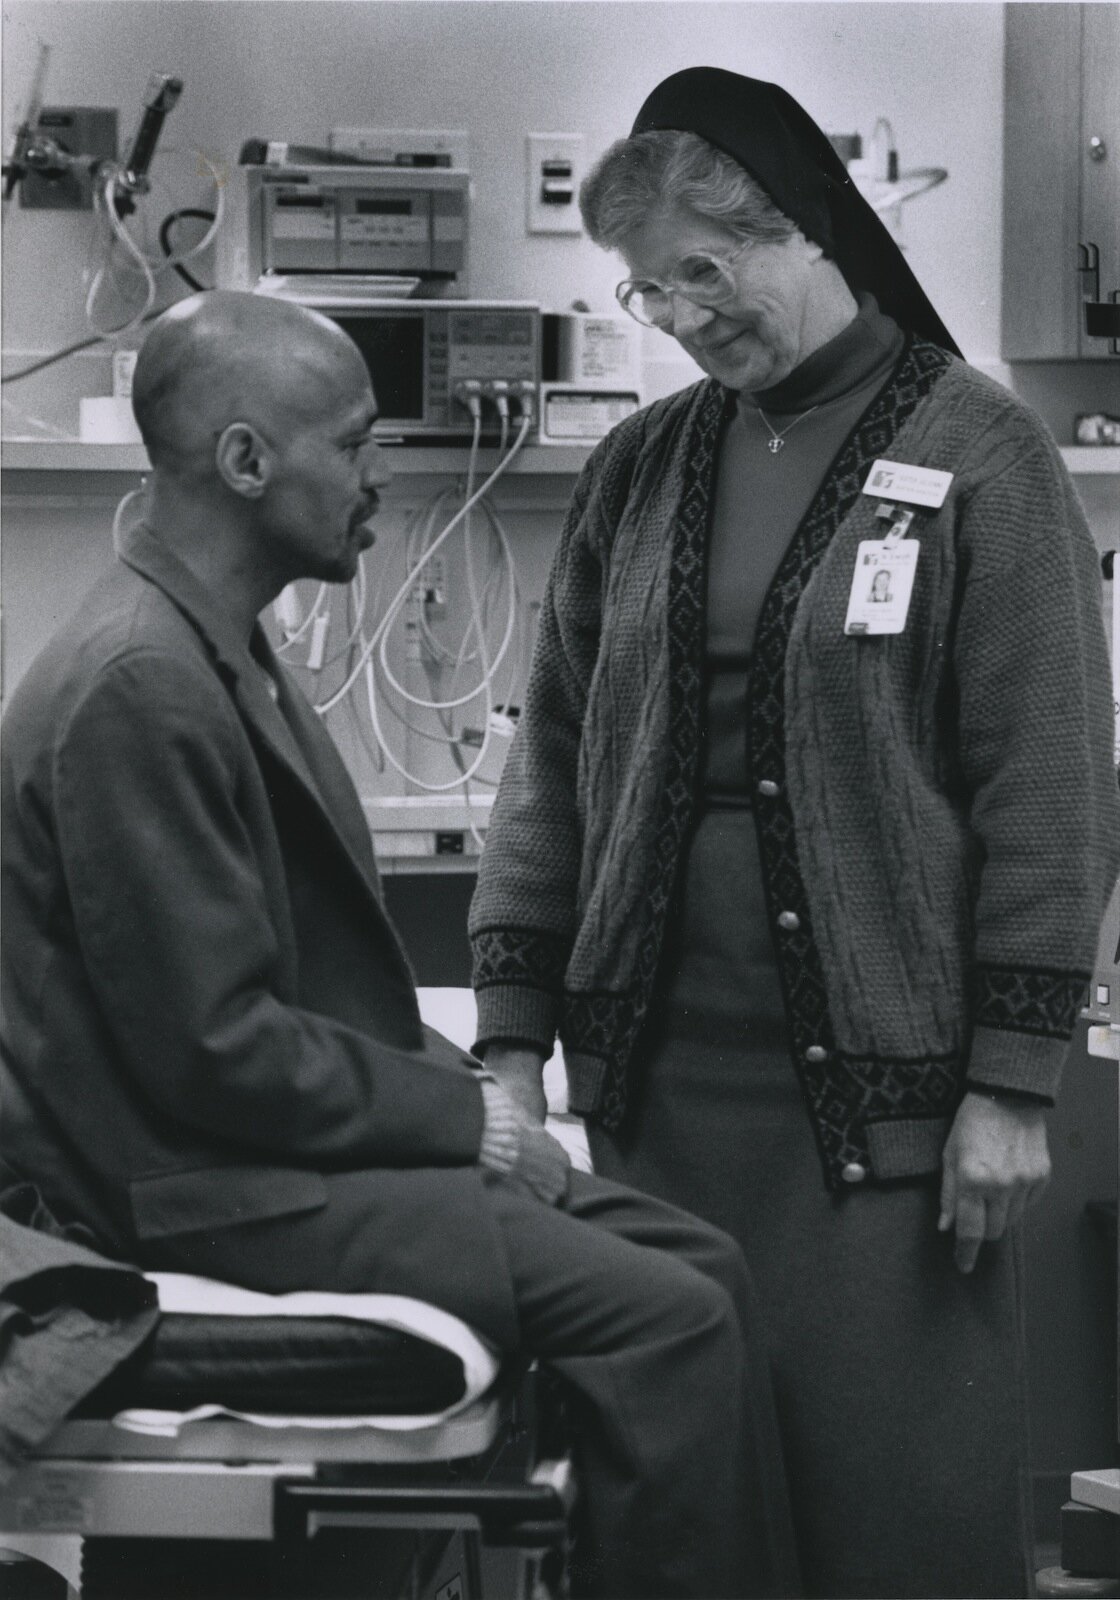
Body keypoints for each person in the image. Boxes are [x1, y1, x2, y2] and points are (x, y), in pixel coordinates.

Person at [0, 290, 802, 1600]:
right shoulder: (139, 684)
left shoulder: (218, 653)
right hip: (191, 1189)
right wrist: (469, 1125)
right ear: (246, 460)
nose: (380, 473)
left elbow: (308, 1001)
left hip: (262, 1154)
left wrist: (474, 1107)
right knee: (675, 1321)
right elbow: (215, 1051)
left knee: (703, 1261)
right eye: (355, 443)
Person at [469, 67, 1120, 1599]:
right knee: (679, 1509)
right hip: (656, 1102)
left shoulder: (982, 454)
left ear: (804, 226)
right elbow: (552, 764)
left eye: (708, 270)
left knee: (889, 1503)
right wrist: (509, 1050)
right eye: (652, 290)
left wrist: (1012, 1084)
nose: (687, 315)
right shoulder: (641, 468)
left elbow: (1049, 785)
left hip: (889, 1118)